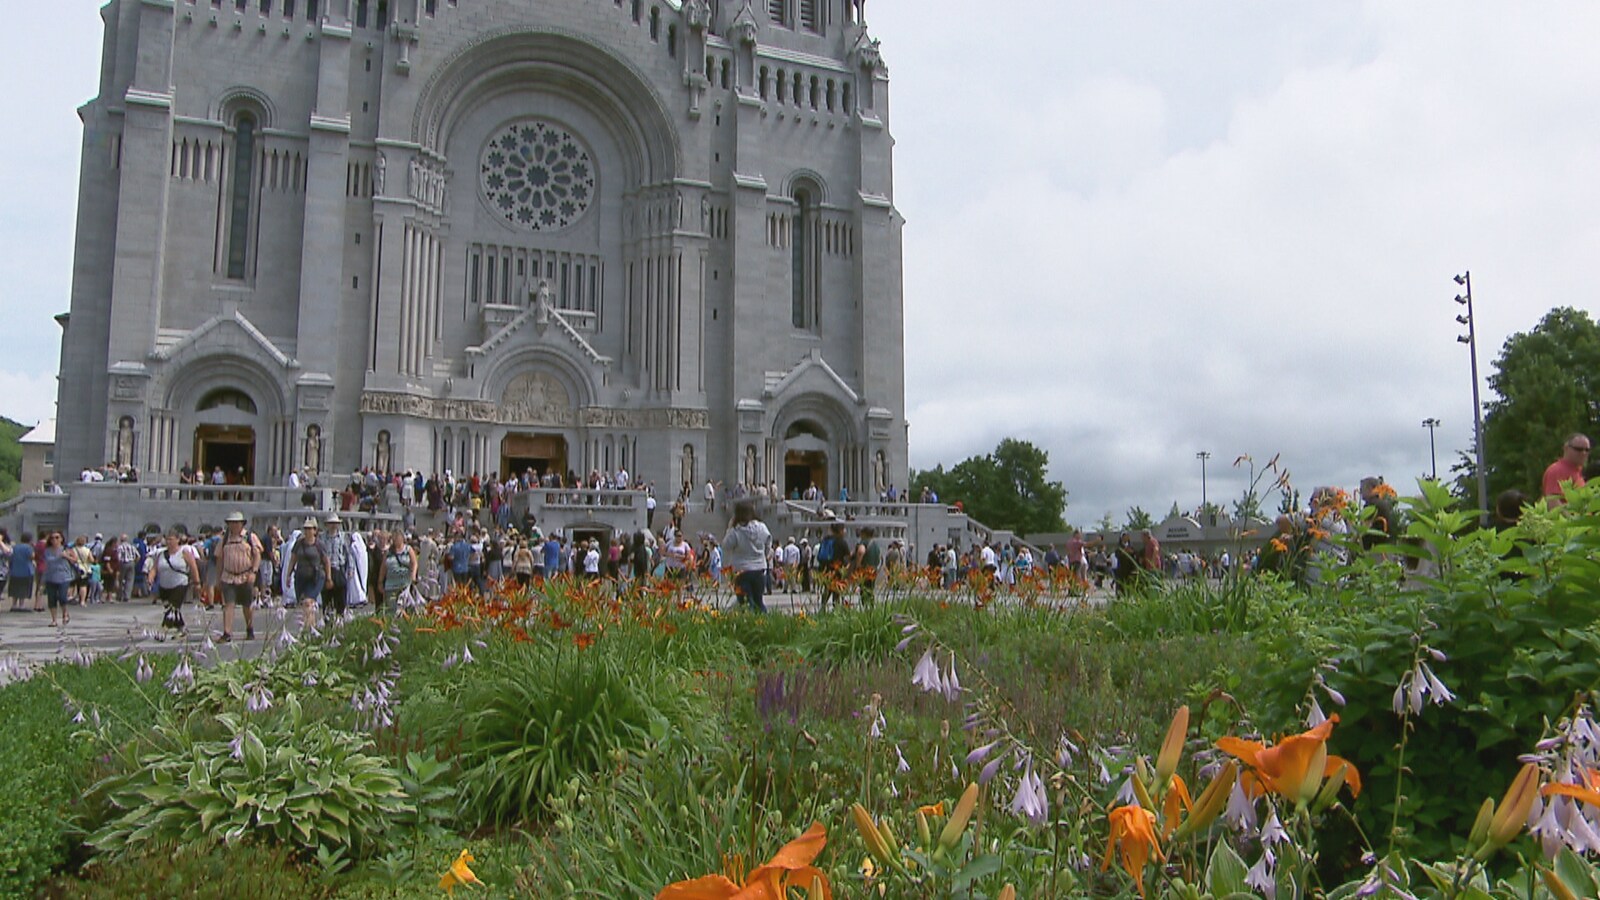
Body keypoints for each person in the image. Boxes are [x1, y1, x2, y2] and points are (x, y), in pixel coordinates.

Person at [215, 511, 262, 642]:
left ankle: (250, 628)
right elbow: (219, 559)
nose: (234, 525)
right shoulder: (224, 539)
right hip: (228, 576)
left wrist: (254, 572)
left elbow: (257, 555)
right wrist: (218, 578)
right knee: (228, 604)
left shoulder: (250, 537)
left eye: (236, 523)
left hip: (245, 576)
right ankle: (227, 632)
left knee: (247, 605)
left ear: (242, 524)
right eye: (231, 523)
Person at [148, 529, 201, 633]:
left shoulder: (184, 553)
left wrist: (197, 582)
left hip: (180, 584)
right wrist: (151, 577)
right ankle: (182, 628)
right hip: (164, 586)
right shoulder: (161, 554)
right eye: (167, 539)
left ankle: (164, 628)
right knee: (170, 608)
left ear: (177, 540)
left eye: (171, 539)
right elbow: (155, 568)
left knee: (173, 608)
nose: (169, 542)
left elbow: (193, 567)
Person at [722, 501, 771, 612]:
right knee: (759, 601)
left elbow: (726, 545)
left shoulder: (736, 531)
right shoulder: (762, 527)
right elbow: (768, 542)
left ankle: (748, 621)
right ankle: (764, 620)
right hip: (759, 569)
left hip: (742, 570)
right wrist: (764, 555)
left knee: (745, 603)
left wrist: (729, 528)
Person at [289, 519, 331, 630]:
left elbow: (326, 561)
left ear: (315, 530)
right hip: (301, 576)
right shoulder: (299, 544)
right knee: (304, 604)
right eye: (306, 529)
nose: (307, 531)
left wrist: (328, 577)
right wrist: (288, 575)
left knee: (308, 601)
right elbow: (293, 560)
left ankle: (308, 629)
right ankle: (311, 627)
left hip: (315, 577)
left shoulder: (319, 545)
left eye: (310, 529)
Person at [1543, 433, 1591, 506]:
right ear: (1566, 448)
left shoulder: (1578, 472)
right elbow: (1553, 503)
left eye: (1587, 450)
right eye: (1578, 449)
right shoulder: (1556, 470)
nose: (1583, 453)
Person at [380, 529, 418, 612]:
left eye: (397, 537)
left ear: (402, 538)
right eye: (394, 537)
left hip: (405, 585)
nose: (395, 539)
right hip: (391, 586)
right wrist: (380, 582)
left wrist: (413, 575)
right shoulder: (388, 552)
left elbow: (414, 563)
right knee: (392, 610)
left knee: (405, 609)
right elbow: (383, 567)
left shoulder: (408, 549)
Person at [853, 527, 882, 606]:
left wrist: (858, 564)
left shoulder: (864, 542)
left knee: (864, 589)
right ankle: (871, 606)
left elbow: (861, 551)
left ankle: (865, 606)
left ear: (864, 534)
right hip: (874, 570)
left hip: (865, 570)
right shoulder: (876, 544)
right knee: (871, 589)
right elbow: (880, 557)